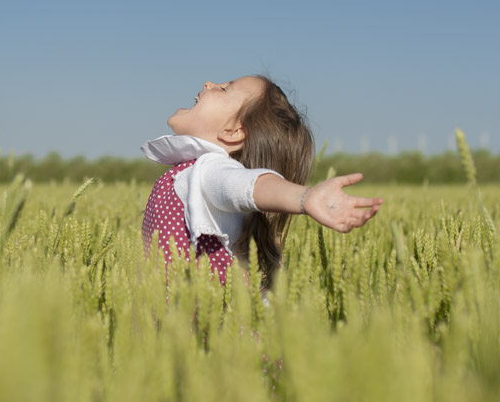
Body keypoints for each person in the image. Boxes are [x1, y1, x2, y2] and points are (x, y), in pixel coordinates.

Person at [140, 75, 383, 293]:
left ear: (233, 131)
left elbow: (249, 186)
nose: (208, 83)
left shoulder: (210, 170)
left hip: (209, 330)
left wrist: (304, 198)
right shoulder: (187, 172)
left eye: (224, 89)